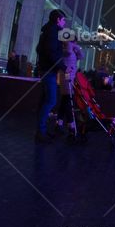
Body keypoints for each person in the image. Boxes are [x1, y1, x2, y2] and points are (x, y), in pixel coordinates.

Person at [35, 9, 66, 143]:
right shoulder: (53, 32)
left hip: (46, 69)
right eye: (63, 20)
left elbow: (38, 49)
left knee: (46, 100)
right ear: (58, 20)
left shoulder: (48, 31)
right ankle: (40, 132)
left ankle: (42, 130)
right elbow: (51, 53)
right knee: (51, 101)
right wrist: (63, 67)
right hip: (49, 70)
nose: (65, 23)